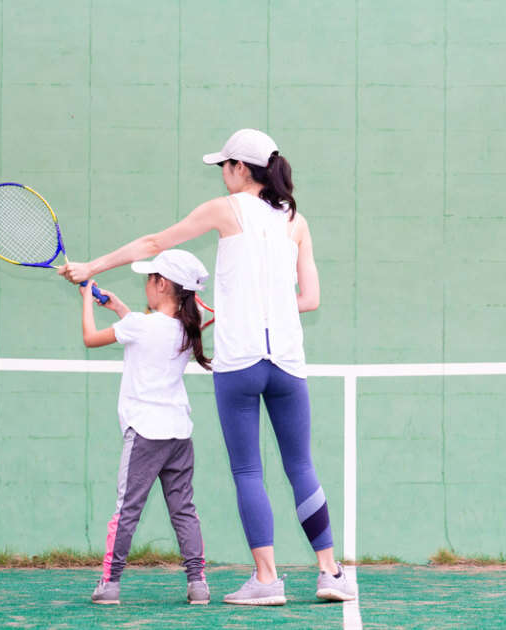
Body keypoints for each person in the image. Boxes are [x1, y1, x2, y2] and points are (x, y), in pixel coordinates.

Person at [59, 129, 356, 605]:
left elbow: (155, 241)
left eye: (224, 165)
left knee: (248, 471)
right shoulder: (296, 222)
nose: (221, 174)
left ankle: (266, 580)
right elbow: (311, 299)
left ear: (241, 168)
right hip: (287, 363)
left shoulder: (226, 209)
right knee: (300, 464)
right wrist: (262, 311)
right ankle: (329, 572)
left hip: (239, 364)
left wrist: (92, 266)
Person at [79, 249, 213, 606]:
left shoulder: (141, 325)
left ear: (163, 284)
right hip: (179, 435)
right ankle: (198, 584)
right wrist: (120, 308)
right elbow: (149, 332)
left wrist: (86, 301)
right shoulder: (187, 327)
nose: (146, 284)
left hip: (145, 434)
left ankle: (109, 585)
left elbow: (90, 338)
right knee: (183, 509)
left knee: (127, 509)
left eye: (150, 277)